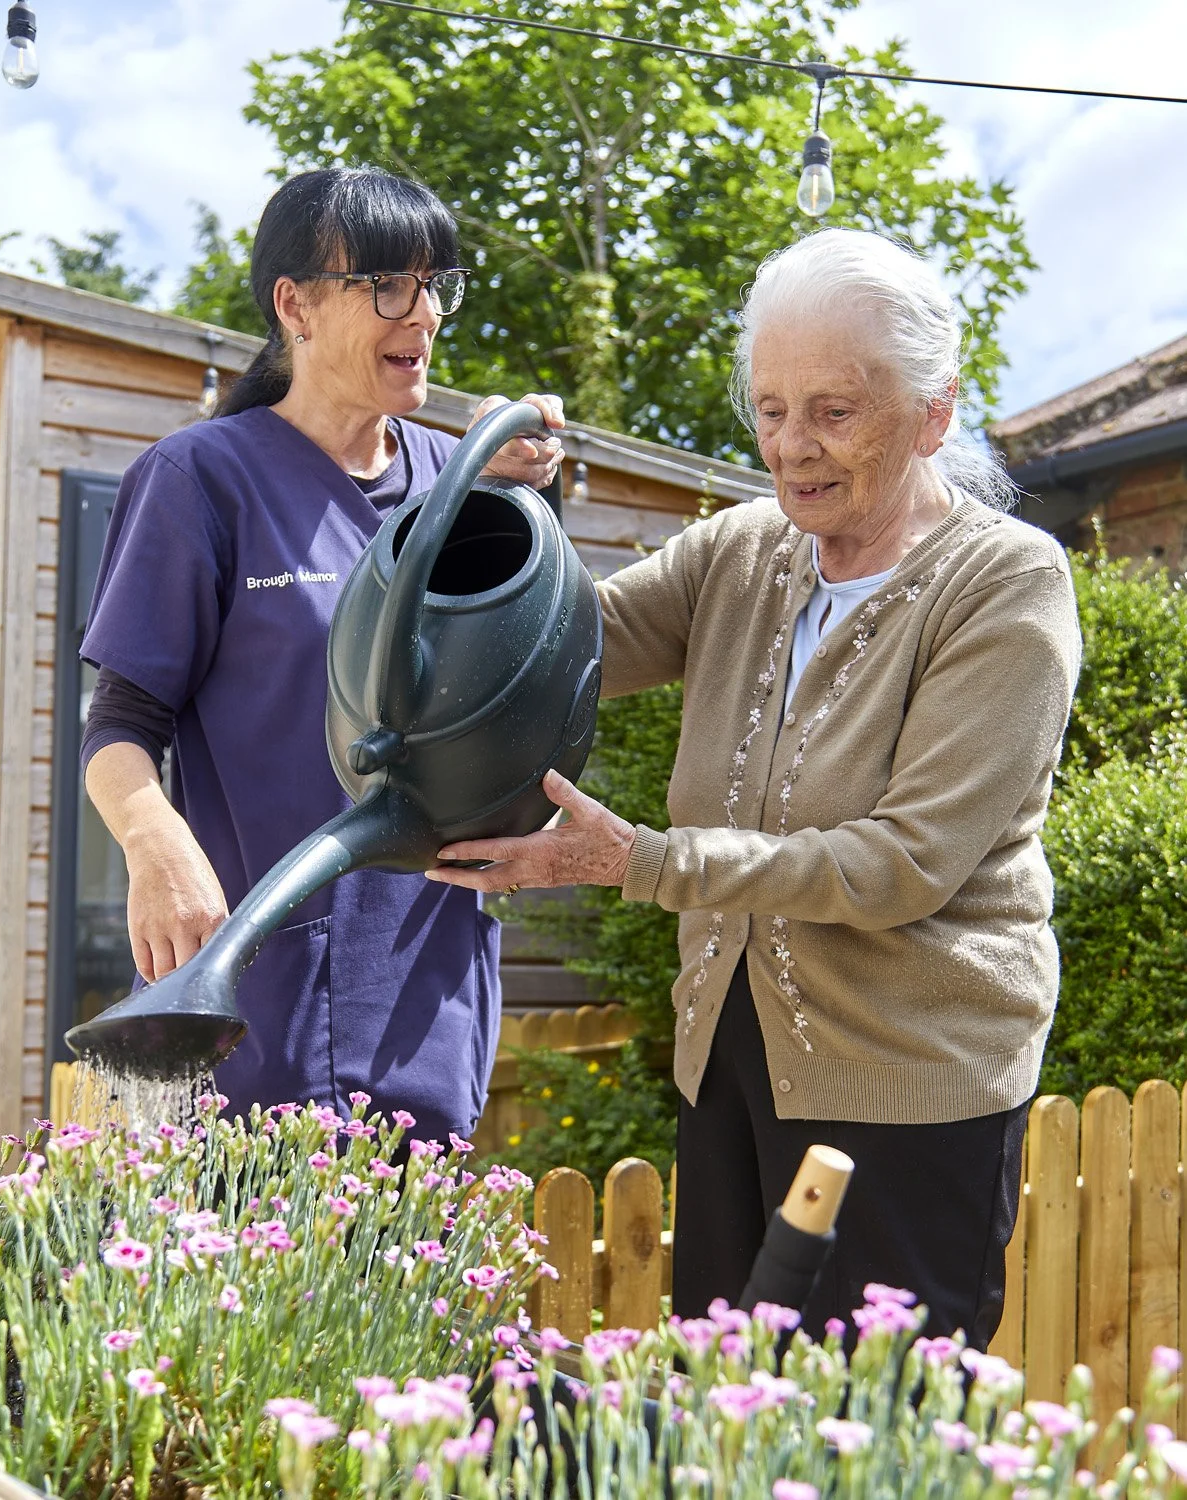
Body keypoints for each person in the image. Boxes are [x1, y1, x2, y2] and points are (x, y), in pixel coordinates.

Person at [426, 228, 1082, 1348]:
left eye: (835, 411)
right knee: (731, 1411)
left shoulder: (1005, 583)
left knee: (877, 1430)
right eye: (771, 410)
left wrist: (639, 862)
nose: (792, 449)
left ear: (934, 411)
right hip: (730, 1065)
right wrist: (486, 511)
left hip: (907, 1086)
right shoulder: (740, 552)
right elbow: (554, 645)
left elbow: (902, 864)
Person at [80, 167, 564, 1139]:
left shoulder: (460, 481)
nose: (422, 313)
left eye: (437, 286)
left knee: (397, 1284)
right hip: (250, 998)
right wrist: (153, 843)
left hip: (425, 1001)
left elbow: (523, 699)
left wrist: (532, 500)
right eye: (389, 283)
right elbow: (122, 726)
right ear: (294, 304)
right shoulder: (202, 480)